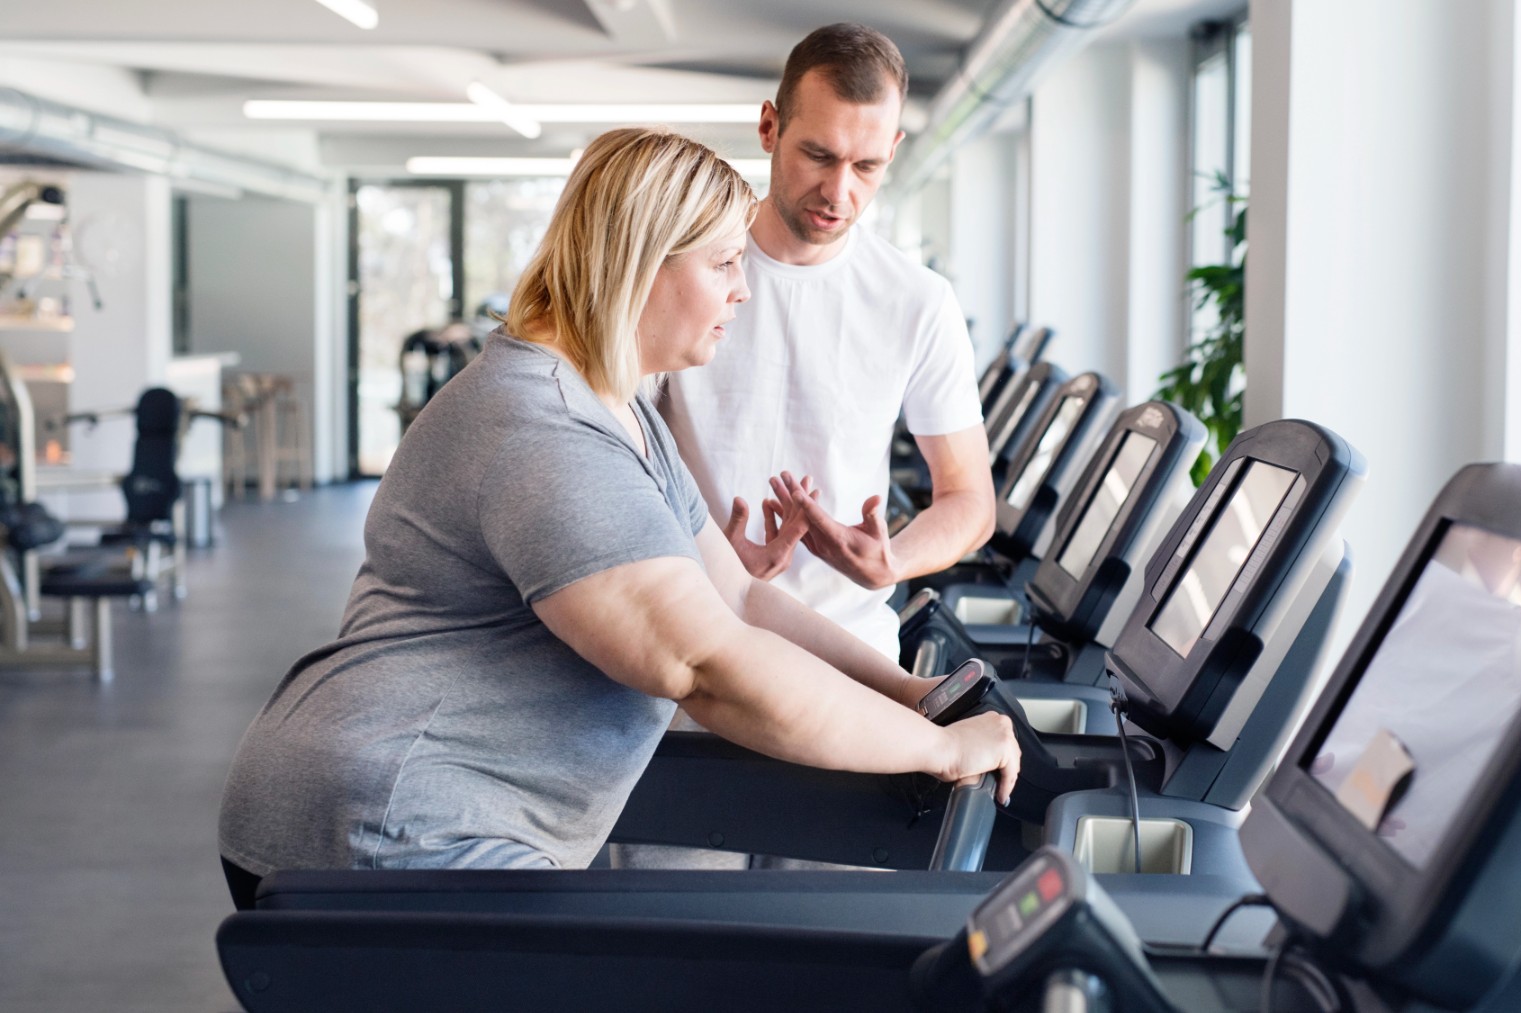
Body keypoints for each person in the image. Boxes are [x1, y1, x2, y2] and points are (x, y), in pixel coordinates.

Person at [216, 127, 1020, 909]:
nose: (742, 288)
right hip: (392, 828)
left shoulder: (617, 410)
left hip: (422, 811)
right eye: (724, 263)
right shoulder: (545, 430)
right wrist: (941, 748)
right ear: (643, 266)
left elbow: (740, 599)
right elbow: (707, 667)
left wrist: (912, 693)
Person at [660, 23, 996, 661]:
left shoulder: (918, 301)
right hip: (687, 634)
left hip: (847, 654)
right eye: (818, 154)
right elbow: (607, 457)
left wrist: (892, 560)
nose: (840, 192)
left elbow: (969, 499)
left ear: (892, 152)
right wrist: (694, 551)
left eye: (866, 166)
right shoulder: (678, 272)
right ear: (769, 128)